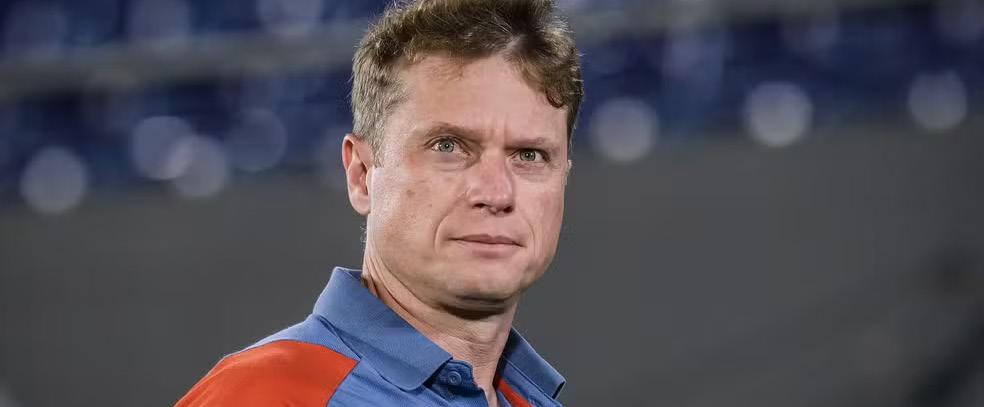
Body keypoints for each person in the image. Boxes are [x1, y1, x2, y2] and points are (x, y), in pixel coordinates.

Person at [175, 0, 583, 405]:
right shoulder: (265, 395)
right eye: (448, 146)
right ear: (361, 174)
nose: (496, 194)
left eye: (529, 155)